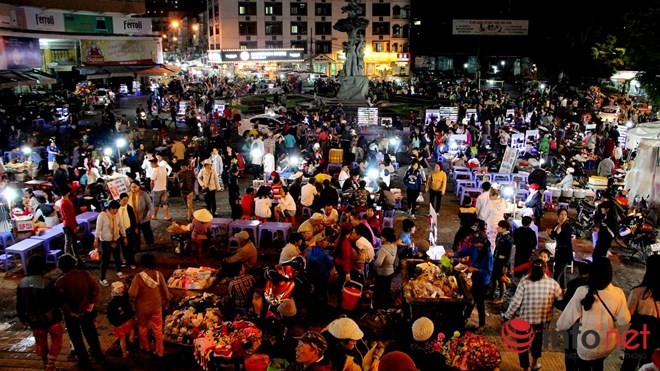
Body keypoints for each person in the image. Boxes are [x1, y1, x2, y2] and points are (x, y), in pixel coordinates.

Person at [556, 257, 631, 370]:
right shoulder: (618, 293)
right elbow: (623, 321)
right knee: (598, 365)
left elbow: (565, 321)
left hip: (587, 345)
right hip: (607, 344)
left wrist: (560, 327)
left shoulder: (582, 291)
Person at [503, 259, 563, 371]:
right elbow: (560, 299)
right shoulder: (553, 283)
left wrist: (507, 316)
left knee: (522, 344)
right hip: (543, 321)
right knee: (537, 342)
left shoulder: (524, 281)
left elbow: (516, 302)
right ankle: (534, 364)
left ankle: (524, 368)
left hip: (524, 320)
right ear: (545, 269)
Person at [54, 254, 103, 368]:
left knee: (76, 338)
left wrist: (69, 312)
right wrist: (91, 303)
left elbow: (61, 301)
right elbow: (95, 289)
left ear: (61, 267)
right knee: (91, 334)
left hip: (71, 315)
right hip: (86, 311)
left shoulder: (60, 282)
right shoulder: (84, 275)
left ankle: (84, 361)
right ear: (74, 263)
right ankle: (99, 356)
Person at [17, 255, 63, 371]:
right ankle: (50, 366)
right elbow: (57, 300)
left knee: (41, 344)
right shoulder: (47, 282)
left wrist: (22, 317)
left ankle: (45, 364)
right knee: (56, 340)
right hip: (51, 319)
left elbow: (20, 303)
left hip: (33, 320)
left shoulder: (22, 283)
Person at [446, 231, 493, 334]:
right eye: (474, 242)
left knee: (479, 303)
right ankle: (465, 317)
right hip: (475, 278)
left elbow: (489, 272)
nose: (475, 245)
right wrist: (453, 254)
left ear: (483, 242)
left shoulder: (488, 254)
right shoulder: (474, 247)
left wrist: (475, 269)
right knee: (471, 298)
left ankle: (482, 325)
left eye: (477, 243)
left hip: (483, 281)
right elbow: (464, 252)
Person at [128, 253, 171, 358]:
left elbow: (132, 294)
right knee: (157, 328)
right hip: (156, 306)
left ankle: (145, 347)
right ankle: (160, 351)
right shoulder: (158, 274)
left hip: (142, 309)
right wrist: (166, 301)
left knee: (142, 327)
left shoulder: (138, 277)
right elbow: (165, 291)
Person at [621, 255, 660, 371]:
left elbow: (628, 316)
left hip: (636, 336)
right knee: (647, 366)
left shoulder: (638, 292)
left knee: (628, 365)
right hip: (655, 338)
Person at [554, 260, 591, 371]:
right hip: (588, 326)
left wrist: (554, 301)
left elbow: (564, 305)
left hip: (573, 326)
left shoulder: (574, 284)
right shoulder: (595, 286)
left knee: (570, 351)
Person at [94, 200, 127, 286]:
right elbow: (98, 228)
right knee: (105, 259)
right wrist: (96, 239)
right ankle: (102, 278)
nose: (116, 211)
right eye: (115, 209)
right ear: (110, 208)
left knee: (117, 256)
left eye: (117, 210)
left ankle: (119, 270)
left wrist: (124, 236)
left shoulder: (117, 214)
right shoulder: (102, 216)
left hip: (116, 238)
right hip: (105, 241)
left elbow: (121, 225)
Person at [107, 281, 135, 359]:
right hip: (127, 320)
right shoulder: (125, 297)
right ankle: (131, 338)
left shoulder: (112, 304)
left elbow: (110, 315)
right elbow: (129, 307)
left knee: (122, 339)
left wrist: (113, 322)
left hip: (119, 323)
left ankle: (124, 353)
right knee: (131, 328)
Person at [547, 208, 574, 289]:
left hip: (565, 252)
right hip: (559, 251)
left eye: (565, 215)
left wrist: (553, 233)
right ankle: (563, 288)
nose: (563, 216)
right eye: (561, 214)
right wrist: (550, 234)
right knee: (562, 273)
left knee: (557, 273)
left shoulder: (567, 227)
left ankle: (553, 289)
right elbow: (554, 237)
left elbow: (564, 239)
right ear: (558, 215)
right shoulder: (557, 225)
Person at [373, 227, 397, 309]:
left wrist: (373, 263)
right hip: (390, 272)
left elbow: (378, 263)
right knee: (386, 290)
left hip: (382, 274)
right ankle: (385, 306)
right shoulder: (394, 246)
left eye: (382, 237)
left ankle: (378, 307)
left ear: (385, 238)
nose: (381, 238)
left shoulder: (383, 249)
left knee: (379, 292)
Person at [491, 220, 513, 303]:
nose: (497, 228)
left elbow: (508, 255)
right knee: (495, 277)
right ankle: (493, 293)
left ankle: (501, 297)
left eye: (499, 227)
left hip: (502, 263)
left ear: (504, 228)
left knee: (501, 280)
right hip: (496, 260)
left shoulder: (508, 240)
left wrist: (505, 266)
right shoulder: (500, 235)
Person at [129, 180, 155, 250]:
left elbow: (149, 204)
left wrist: (150, 213)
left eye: (135, 187)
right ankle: (137, 246)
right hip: (134, 218)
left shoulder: (143, 194)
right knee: (136, 233)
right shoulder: (129, 195)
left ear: (139, 186)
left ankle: (150, 243)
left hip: (144, 216)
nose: (133, 189)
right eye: (132, 187)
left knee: (147, 231)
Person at [118, 193, 138, 269]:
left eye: (127, 200)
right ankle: (126, 260)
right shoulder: (117, 208)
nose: (125, 201)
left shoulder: (129, 208)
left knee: (130, 247)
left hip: (129, 230)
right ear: (120, 199)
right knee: (123, 247)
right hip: (120, 230)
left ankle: (132, 262)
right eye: (124, 200)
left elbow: (133, 219)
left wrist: (134, 228)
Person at [59, 188, 80, 258]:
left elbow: (71, 215)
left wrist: (75, 224)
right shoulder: (64, 203)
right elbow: (67, 217)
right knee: (68, 242)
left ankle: (75, 257)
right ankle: (67, 258)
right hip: (68, 225)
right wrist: (73, 227)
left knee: (72, 242)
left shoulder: (66, 201)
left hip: (70, 224)